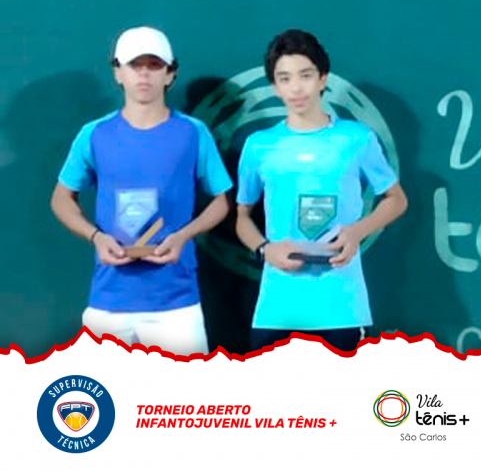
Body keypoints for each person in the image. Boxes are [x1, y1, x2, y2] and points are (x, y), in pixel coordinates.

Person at [51, 26, 232, 355]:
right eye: (135, 65)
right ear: (117, 73)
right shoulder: (94, 134)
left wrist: (183, 236)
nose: (144, 74)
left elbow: (221, 200)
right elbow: (62, 198)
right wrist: (96, 237)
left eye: (154, 65)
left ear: (170, 74)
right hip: (108, 302)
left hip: (177, 305)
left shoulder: (194, 132)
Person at [235, 29, 408, 352]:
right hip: (276, 308)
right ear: (274, 86)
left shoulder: (357, 138)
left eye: (305, 75)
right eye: (285, 78)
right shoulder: (259, 145)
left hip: (342, 307)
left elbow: (396, 199)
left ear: (322, 78)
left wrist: (357, 231)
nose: (296, 87)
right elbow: (242, 216)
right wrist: (264, 249)